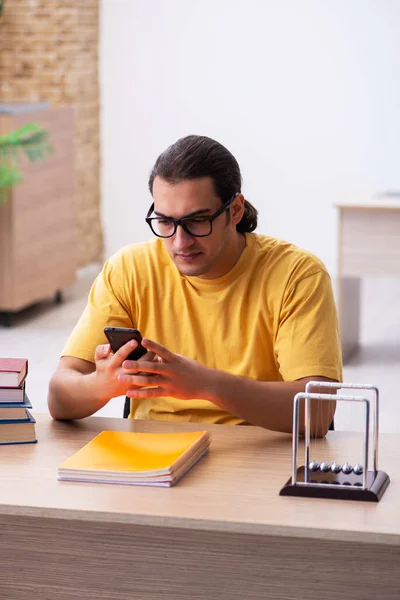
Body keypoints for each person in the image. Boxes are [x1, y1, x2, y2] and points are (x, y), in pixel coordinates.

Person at [48, 135, 342, 436]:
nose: (180, 242)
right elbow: (59, 397)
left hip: (260, 455)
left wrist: (207, 385)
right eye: (165, 222)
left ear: (236, 210)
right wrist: (102, 384)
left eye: (198, 221)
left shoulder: (297, 274)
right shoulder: (129, 269)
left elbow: (316, 412)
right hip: (153, 459)